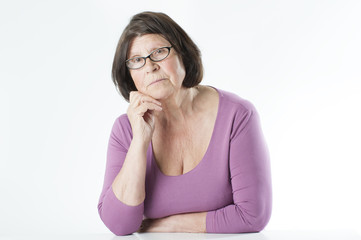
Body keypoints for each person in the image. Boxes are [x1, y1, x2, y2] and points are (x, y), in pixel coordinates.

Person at [97, 11, 272, 236]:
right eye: (137, 60)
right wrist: (140, 141)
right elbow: (119, 226)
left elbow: (252, 216)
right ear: (129, 74)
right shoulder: (126, 130)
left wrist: (165, 225)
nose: (150, 66)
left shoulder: (237, 115)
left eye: (159, 52)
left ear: (182, 53)